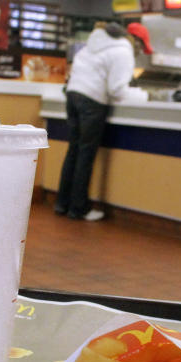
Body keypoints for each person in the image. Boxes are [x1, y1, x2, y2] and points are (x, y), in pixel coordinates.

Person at [55, 21, 153, 221]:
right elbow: (116, 90)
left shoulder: (93, 45)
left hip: (73, 95)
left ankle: (62, 203)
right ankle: (79, 208)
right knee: (85, 154)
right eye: (141, 48)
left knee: (73, 150)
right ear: (134, 41)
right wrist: (143, 96)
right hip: (92, 101)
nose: (140, 52)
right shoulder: (122, 52)